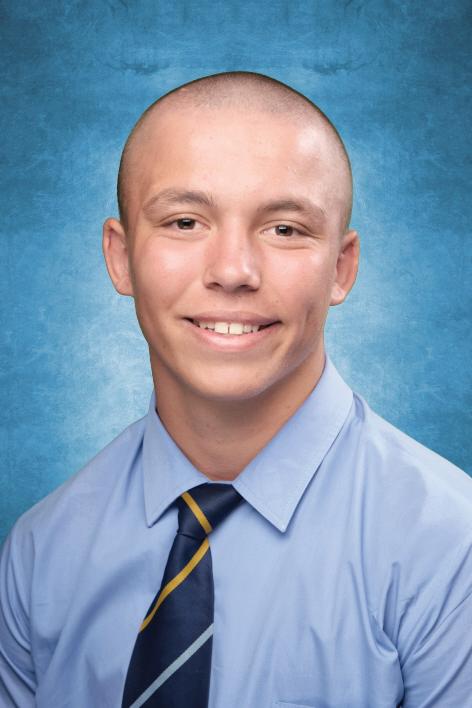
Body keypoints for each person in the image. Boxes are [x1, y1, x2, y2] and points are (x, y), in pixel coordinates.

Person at [1, 71, 471, 708]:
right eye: (185, 221)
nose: (232, 271)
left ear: (341, 268)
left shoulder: (451, 549)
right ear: (120, 256)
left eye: (285, 229)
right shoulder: (38, 554)